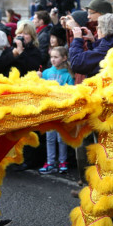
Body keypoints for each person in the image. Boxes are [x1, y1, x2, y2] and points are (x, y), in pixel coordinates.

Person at [37, 46, 75, 175]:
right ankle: (50, 162)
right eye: (51, 57)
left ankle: (62, 161)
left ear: (64, 58)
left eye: (56, 57)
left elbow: (70, 92)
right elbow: (41, 90)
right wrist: (39, 79)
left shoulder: (69, 74)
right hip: (49, 110)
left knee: (61, 138)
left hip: (61, 109)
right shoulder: (47, 72)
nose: (52, 59)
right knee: (50, 138)